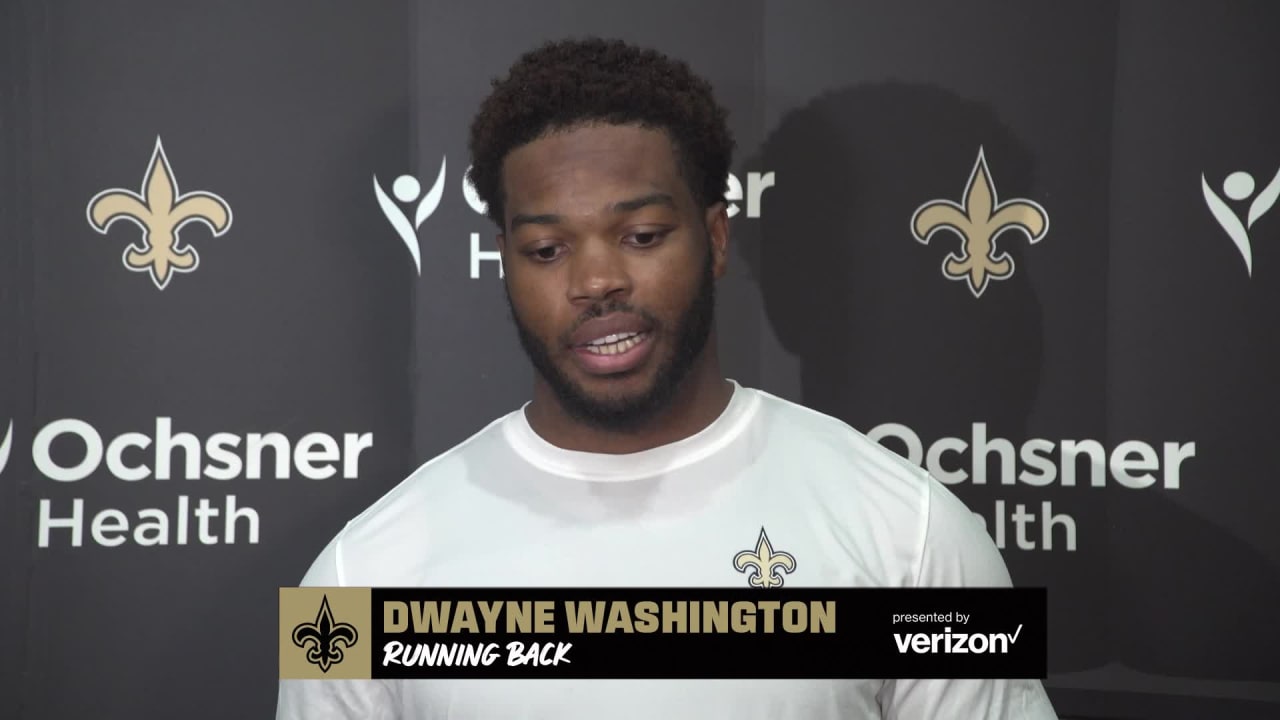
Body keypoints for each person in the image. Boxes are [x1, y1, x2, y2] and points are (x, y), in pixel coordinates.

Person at [276, 37, 1059, 719]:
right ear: (506, 264)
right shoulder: (355, 584)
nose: (596, 281)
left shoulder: (914, 535)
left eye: (642, 234)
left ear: (715, 238)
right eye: (547, 249)